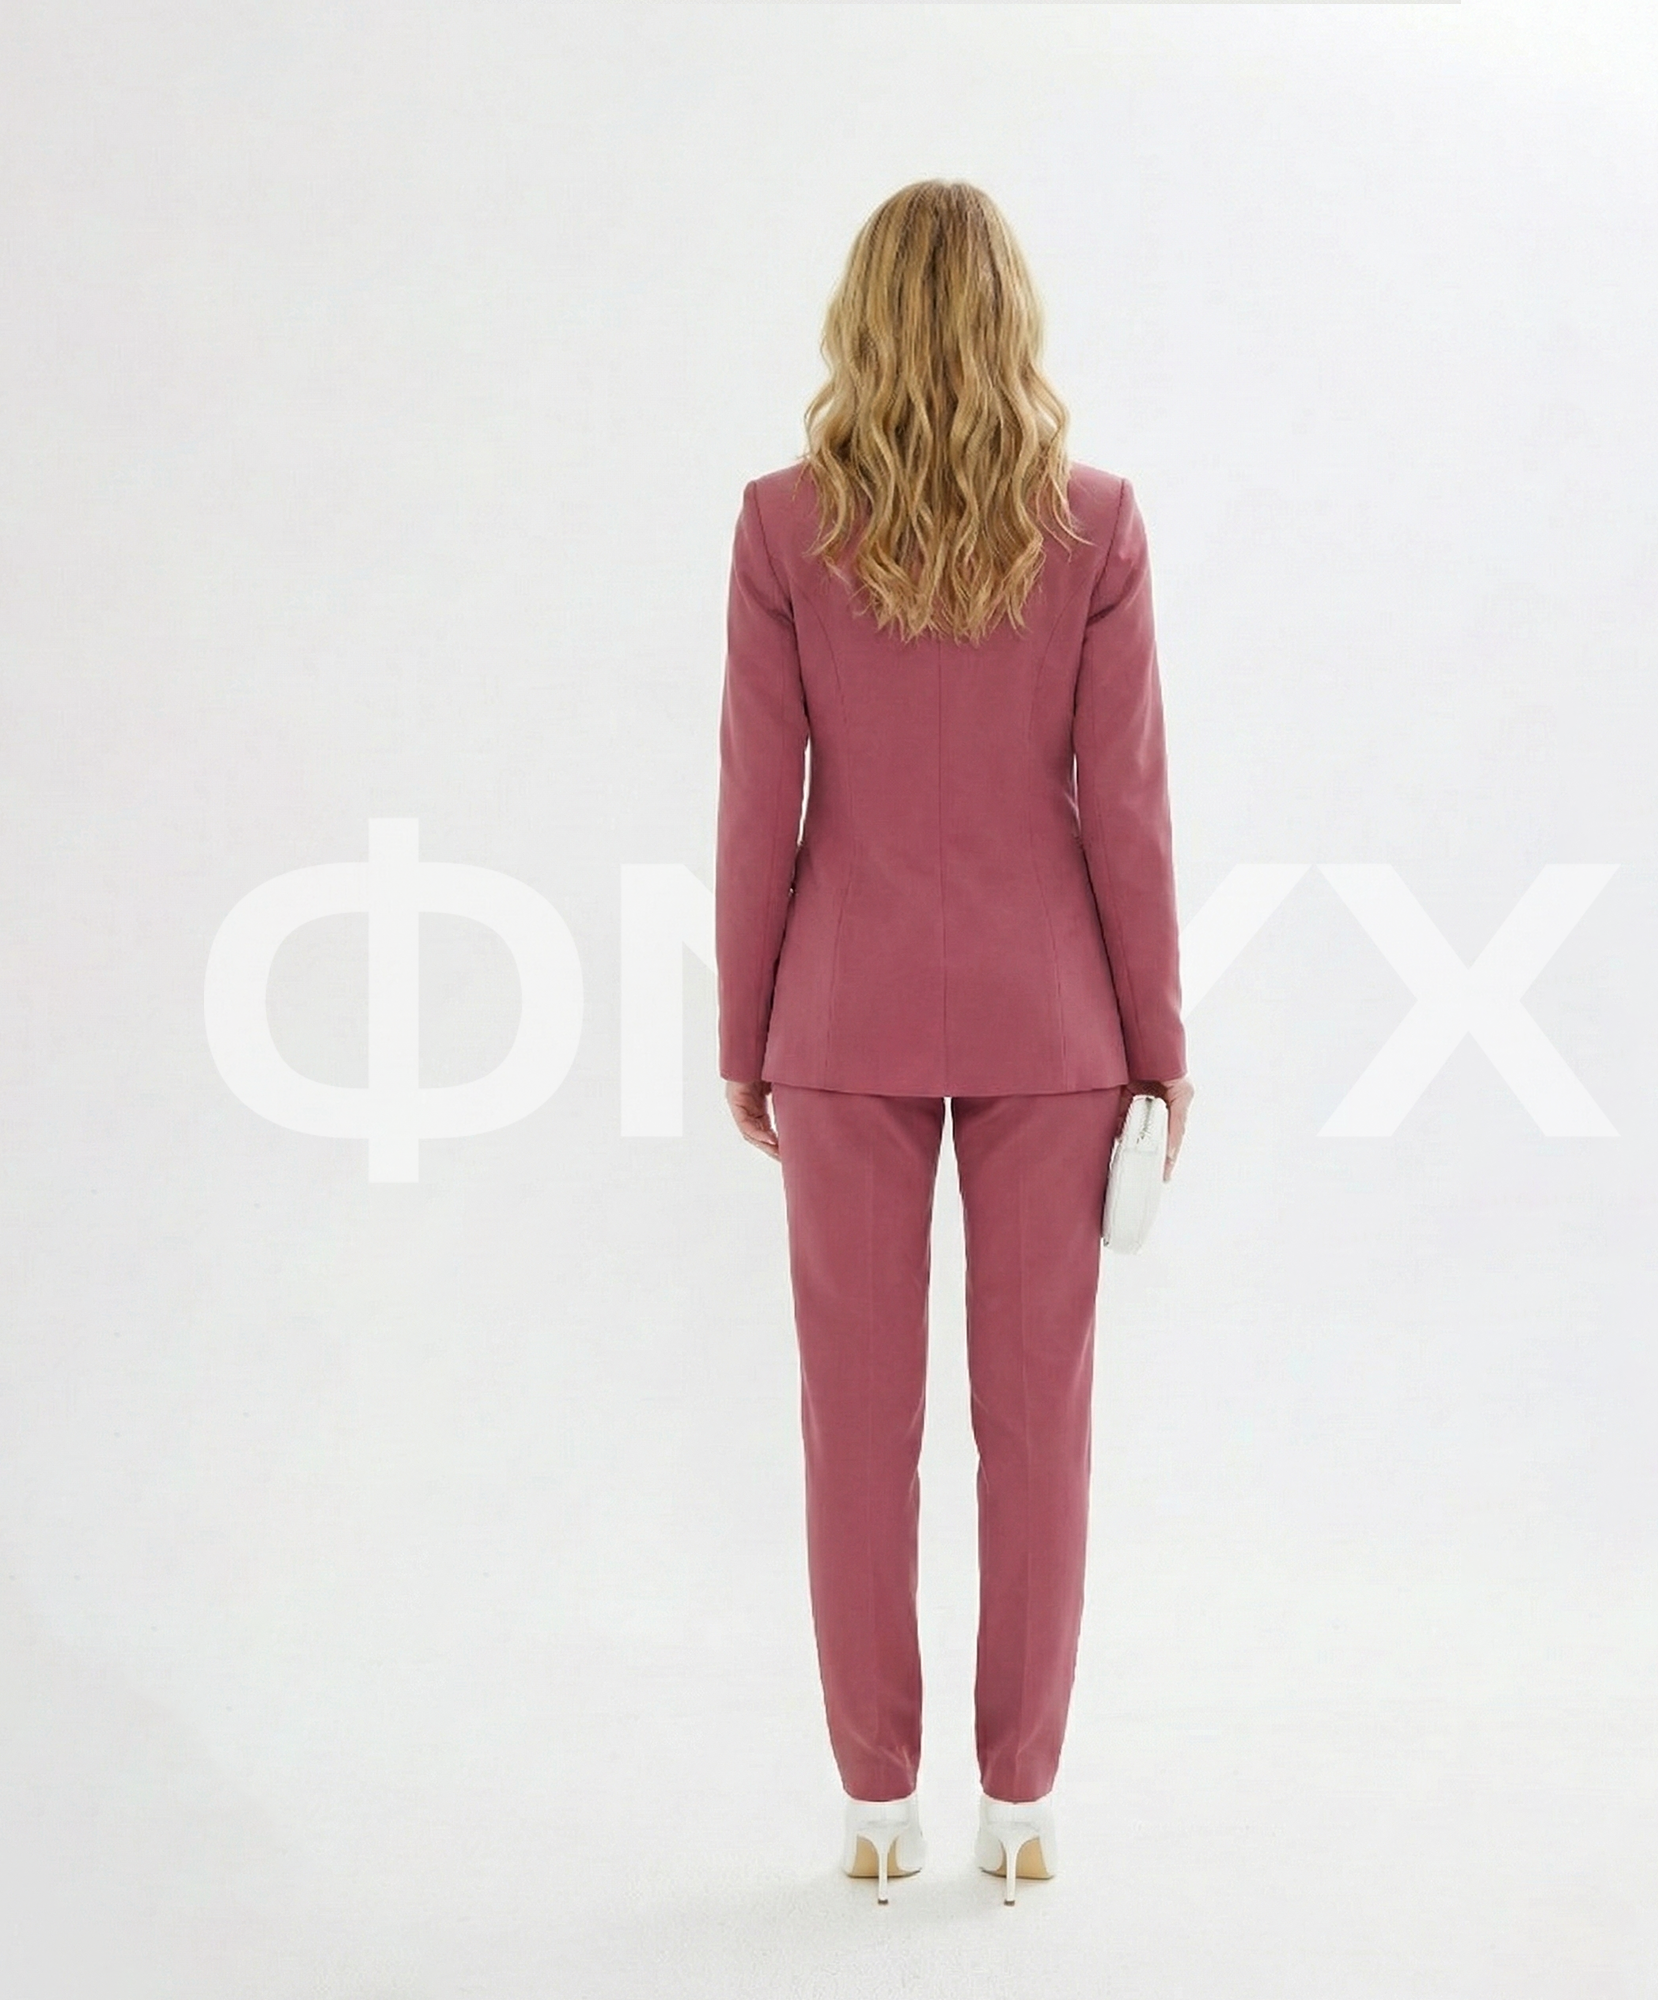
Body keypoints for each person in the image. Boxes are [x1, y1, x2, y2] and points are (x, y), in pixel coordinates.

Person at [714, 179, 1195, 1905]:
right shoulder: (1094, 524)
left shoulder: (785, 526)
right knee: (1038, 1426)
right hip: (1052, 1021)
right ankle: (1023, 1808)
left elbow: (757, 804)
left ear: (860, 318)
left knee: (856, 1427)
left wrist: (744, 1029)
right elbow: (1126, 810)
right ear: (1014, 319)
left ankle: (872, 1808)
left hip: (838, 1015)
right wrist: (1160, 1046)